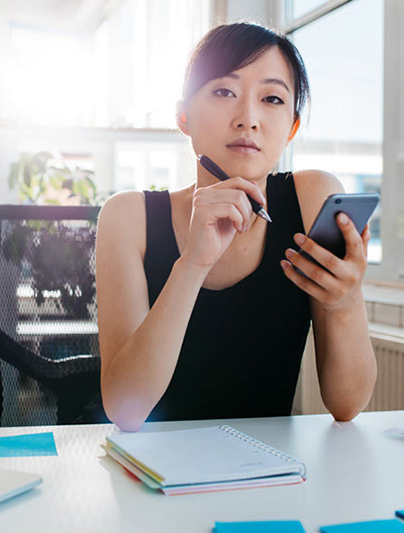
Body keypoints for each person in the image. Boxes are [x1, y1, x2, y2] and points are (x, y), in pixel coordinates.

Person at [95, 22, 377, 432]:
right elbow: (125, 409)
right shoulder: (127, 217)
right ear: (183, 115)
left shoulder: (312, 197)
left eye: (272, 98)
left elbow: (347, 406)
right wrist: (192, 263)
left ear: (292, 128)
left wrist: (346, 303)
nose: (248, 118)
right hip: (150, 474)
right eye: (225, 91)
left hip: (269, 472)